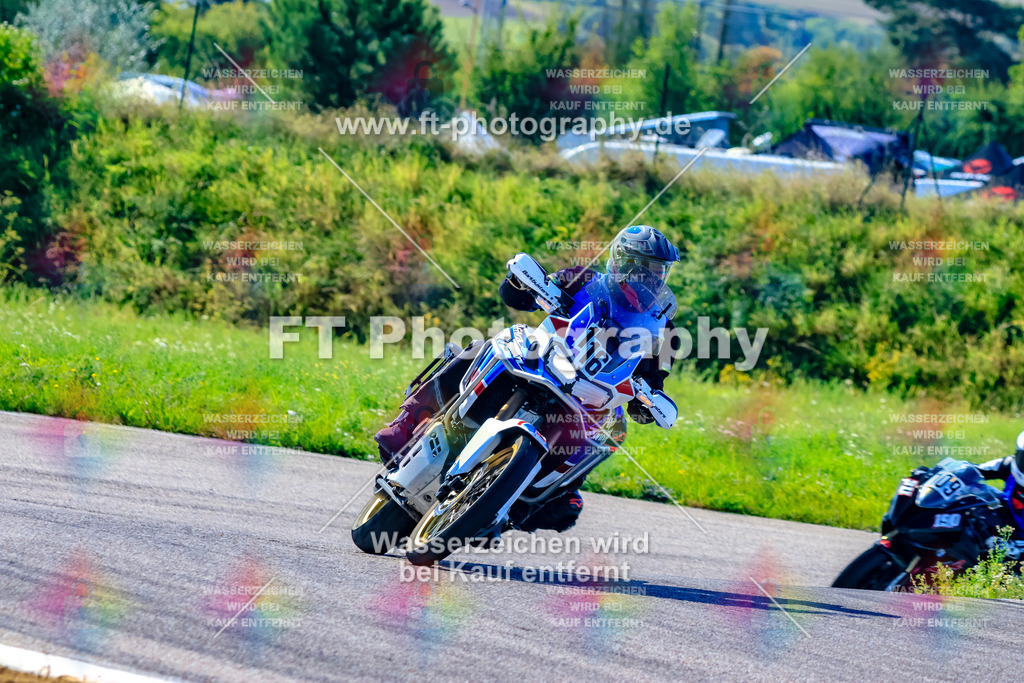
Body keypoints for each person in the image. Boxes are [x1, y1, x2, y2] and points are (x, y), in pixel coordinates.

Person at [374, 225, 681, 532]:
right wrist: (522, 285)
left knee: (612, 430)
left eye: (661, 271)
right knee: (483, 347)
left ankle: (539, 496)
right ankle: (407, 424)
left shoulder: (664, 330)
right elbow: (520, 295)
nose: (655, 278)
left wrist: (647, 402)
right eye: (649, 269)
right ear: (622, 262)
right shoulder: (583, 279)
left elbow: (653, 383)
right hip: (545, 357)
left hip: (593, 393)